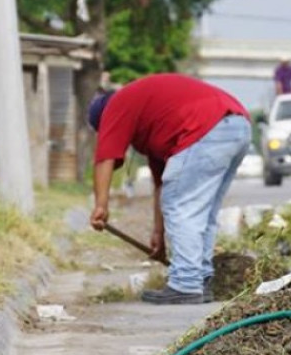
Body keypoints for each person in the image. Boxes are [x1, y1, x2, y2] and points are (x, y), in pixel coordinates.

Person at [87, 74, 251, 305]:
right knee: (202, 211)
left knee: (184, 207)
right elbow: (162, 187)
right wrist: (159, 232)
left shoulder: (115, 105)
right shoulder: (154, 123)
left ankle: (186, 283)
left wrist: (100, 206)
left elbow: (104, 158)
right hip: (236, 124)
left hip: (206, 126)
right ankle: (200, 278)